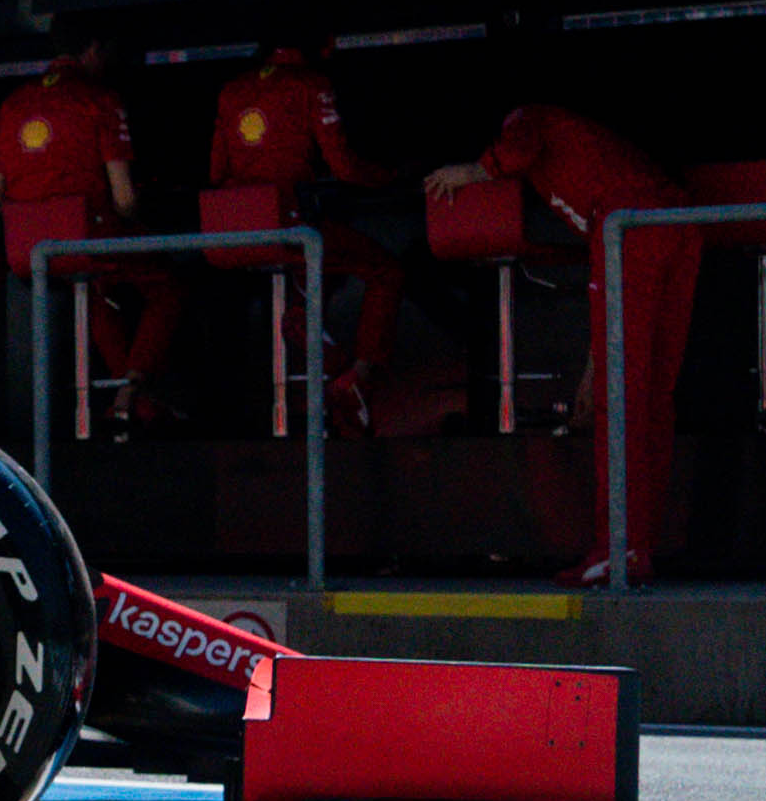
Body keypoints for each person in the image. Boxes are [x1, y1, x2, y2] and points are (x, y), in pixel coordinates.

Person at [428, 94, 694, 582]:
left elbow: (519, 145)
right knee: (651, 399)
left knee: (624, 405)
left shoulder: (526, 117)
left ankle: (617, 547)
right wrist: (593, 373)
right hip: (673, 221)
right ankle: (636, 548)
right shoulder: (583, 141)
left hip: (628, 225)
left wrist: (473, 170)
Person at [213, 36, 405, 419]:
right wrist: (390, 177)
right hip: (293, 228)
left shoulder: (231, 91)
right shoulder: (312, 84)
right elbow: (345, 167)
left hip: (234, 233)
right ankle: (357, 376)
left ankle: (306, 324)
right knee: (386, 269)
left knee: (321, 265)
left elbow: (217, 174)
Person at [0, 37, 180, 411]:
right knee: (166, 284)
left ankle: (131, 399)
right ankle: (134, 388)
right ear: (93, 49)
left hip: (28, 252)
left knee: (94, 287)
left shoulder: (13, 104)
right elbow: (124, 199)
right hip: (88, 242)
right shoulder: (100, 98)